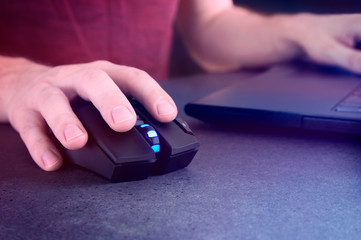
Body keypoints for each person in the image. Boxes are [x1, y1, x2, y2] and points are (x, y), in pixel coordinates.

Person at [0, 0, 360, 172]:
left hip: (146, 110)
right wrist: (16, 78)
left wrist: (300, 31)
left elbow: (208, 22)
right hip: (24, 128)